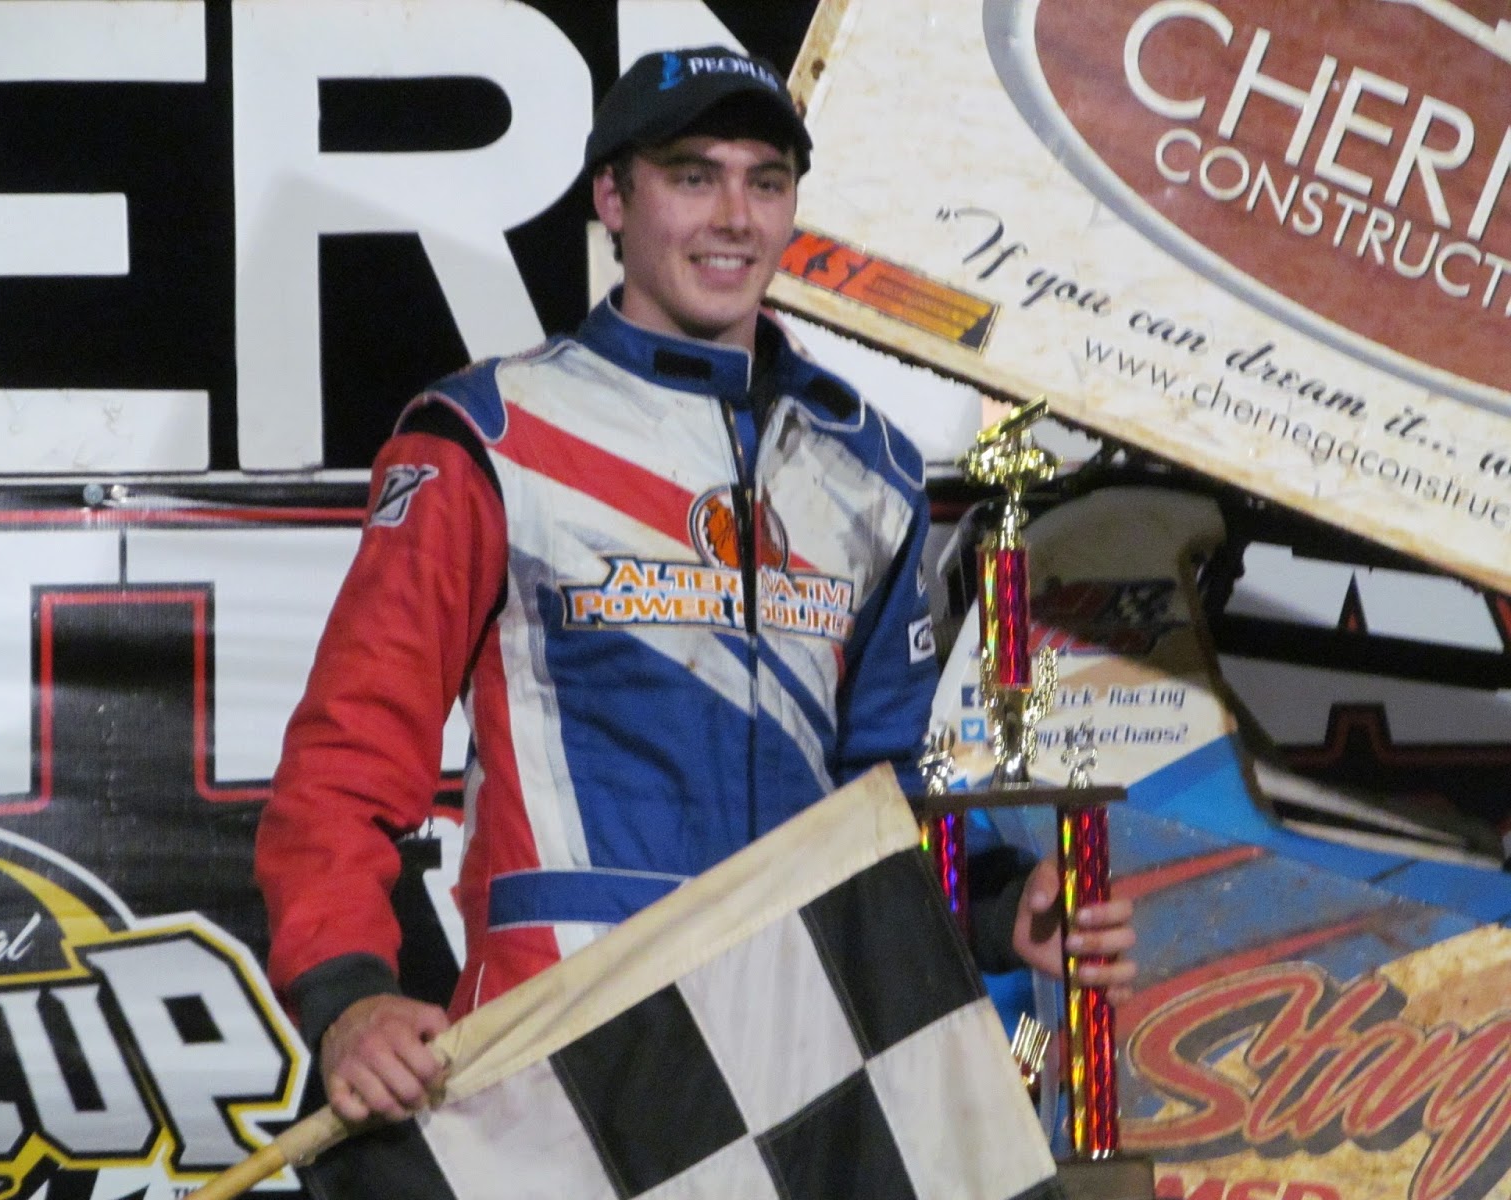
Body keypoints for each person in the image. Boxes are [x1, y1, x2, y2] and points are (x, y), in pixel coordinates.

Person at [255, 44, 1136, 1137]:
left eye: (765, 181)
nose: (734, 217)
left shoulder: (866, 467)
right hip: (567, 1051)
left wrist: (997, 906)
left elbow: (888, 788)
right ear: (612, 200)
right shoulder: (489, 437)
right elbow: (346, 756)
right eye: (692, 176)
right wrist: (346, 994)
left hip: (807, 1049)